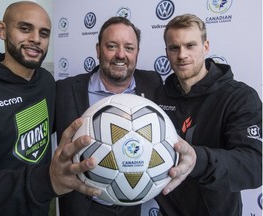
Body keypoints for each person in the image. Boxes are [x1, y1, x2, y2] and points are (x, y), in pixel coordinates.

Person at [0, 2, 100, 216]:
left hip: (40, 207)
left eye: (44, 33)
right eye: (25, 29)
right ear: (2, 30)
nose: (36, 39)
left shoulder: (46, 81)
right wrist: (46, 180)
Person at [154, 13, 262, 216]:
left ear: (206, 46)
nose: (182, 55)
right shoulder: (158, 96)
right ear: (166, 52)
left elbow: (255, 166)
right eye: (174, 48)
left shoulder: (239, 97)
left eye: (190, 45)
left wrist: (198, 159)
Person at [55, 16, 163, 216]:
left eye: (129, 48)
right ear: (98, 50)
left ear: (137, 51)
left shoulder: (153, 83)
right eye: (112, 46)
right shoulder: (65, 89)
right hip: (82, 205)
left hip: (131, 205)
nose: (121, 55)